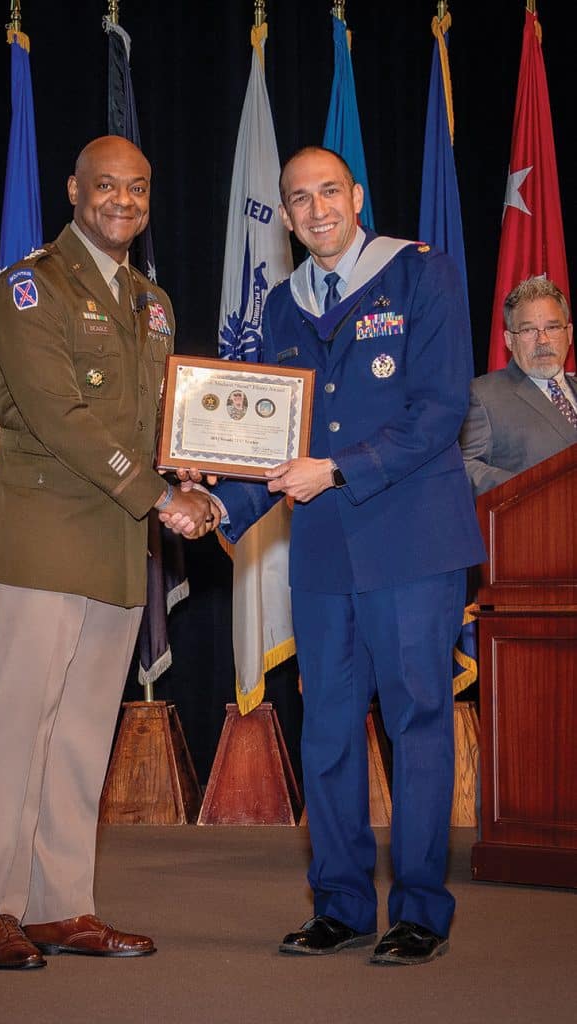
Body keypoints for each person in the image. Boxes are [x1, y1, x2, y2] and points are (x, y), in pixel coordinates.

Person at [164, 146, 485, 965]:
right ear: (287, 214)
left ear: (357, 196)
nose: (314, 210)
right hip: (324, 552)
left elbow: (440, 408)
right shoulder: (282, 305)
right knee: (329, 729)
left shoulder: (422, 274)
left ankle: (419, 909)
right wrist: (213, 505)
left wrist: (339, 467)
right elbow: (272, 441)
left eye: (327, 193)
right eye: (297, 199)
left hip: (411, 540)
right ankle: (338, 903)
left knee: (416, 724)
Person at [0, 135, 219, 971]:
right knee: (14, 729)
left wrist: (195, 463)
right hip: (43, 542)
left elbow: (155, 421)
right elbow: (58, 417)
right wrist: (160, 495)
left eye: (137, 190)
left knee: (78, 737)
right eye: (106, 186)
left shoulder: (151, 301)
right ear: (74, 190)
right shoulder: (28, 289)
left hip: (116, 546)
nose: (122, 201)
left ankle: (59, 905)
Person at [459, 276, 575, 496]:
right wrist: (529, 485)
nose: (543, 340)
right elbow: (465, 467)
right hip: (534, 524)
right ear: (509, 340)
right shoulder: (483, 396)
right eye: (529, 330)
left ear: (568, 334)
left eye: (552, 327)